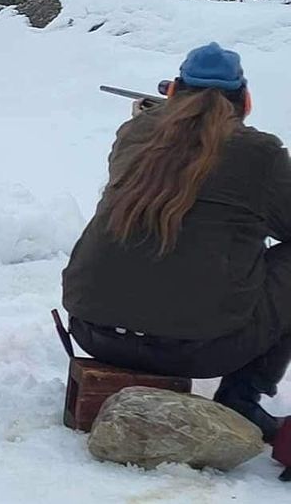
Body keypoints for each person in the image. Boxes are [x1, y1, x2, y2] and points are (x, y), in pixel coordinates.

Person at [63, 43, 291, 453]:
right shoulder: (261, 154)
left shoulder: (135, 134)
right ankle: (242, 397)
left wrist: (152, 119)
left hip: (93, 332)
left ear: (174, 92)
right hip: (198, 353)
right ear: (244, 100)